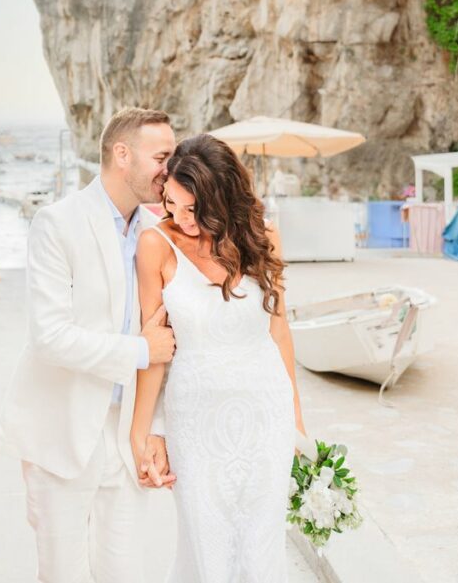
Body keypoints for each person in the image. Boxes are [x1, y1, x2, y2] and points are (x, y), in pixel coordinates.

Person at [0, 107, 178, 582]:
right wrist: (139, 351)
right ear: (122, 155)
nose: (170, 169)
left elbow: (168, 340)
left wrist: (153, 427)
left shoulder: (161, 234)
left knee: (126, 573)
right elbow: (50, 337)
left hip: (126, 435)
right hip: (62, 431)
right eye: (162, 156)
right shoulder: (57, 223)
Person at [131, 133, 307, 581]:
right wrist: (148, 431)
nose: (180, 218)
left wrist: (297, 418)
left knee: (261, 544)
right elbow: (155, 348)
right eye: (171, 204)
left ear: (223, 197)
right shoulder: (155, 245)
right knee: (205, 544)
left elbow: (279, 330)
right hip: (195, 421)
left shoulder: (264, 238)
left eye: (194, 209)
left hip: (266, 414)